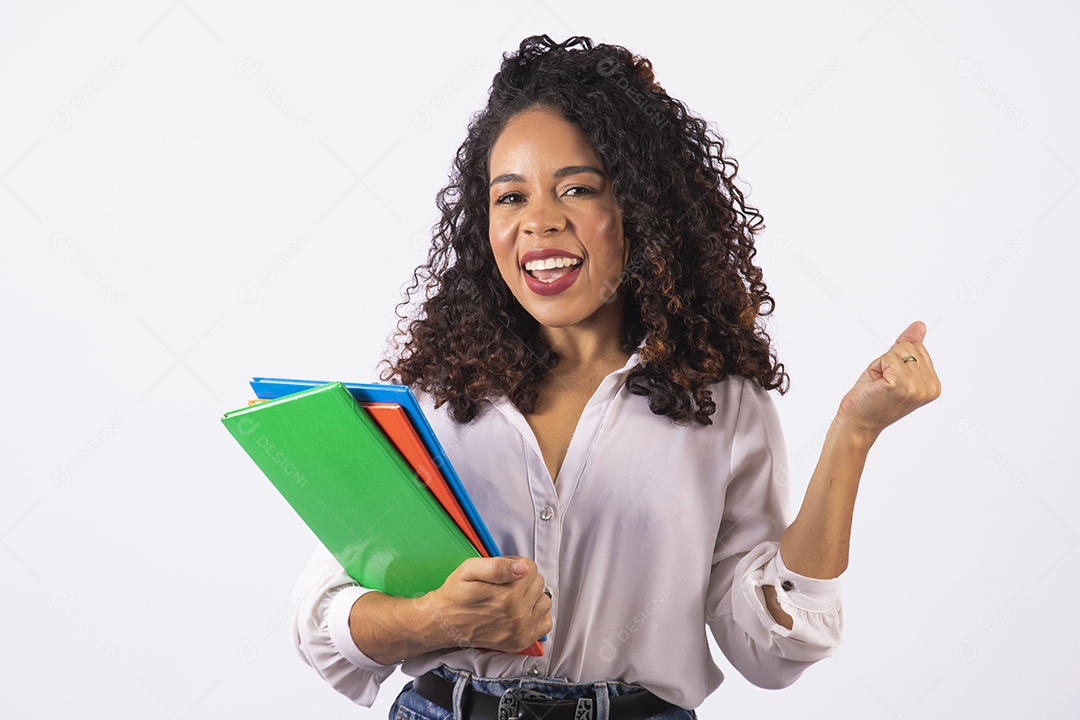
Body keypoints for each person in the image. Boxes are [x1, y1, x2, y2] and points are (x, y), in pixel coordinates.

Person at [290, 35, 941, 719]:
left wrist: (855, 433)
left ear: (639, 208)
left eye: (577, 188)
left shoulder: (719, 404)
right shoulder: (430, 397)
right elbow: (323, 617)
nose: (539, 221)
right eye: (510, 197)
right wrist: (437, 620)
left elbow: (771, 650)